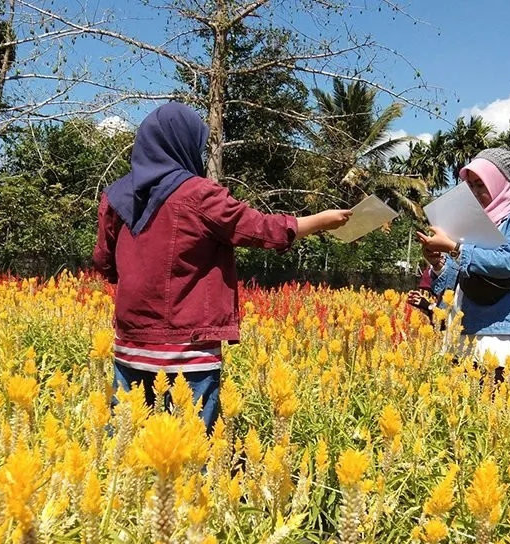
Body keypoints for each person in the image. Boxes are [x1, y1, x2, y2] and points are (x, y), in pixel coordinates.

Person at [93, 102, 351, 431]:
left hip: (131, 344)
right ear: (184, 144)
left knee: (125, 448)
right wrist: (320, 221)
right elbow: (259, 229)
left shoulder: (115, 197)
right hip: (188, 348)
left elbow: (104, 262)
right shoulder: (199, 195)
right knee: (193, 449)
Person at [417, 148, 510, 384]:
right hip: (464, 326)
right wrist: (438, 262)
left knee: (495, 408)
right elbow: (462, 272)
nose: (474, 192)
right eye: (470, 185)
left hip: (498, 331)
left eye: (480, 184)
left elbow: (508, 261)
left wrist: (455, 248)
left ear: (499, 183)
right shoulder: (475, 220)